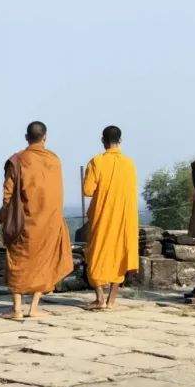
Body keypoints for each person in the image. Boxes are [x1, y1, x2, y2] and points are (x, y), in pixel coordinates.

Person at [0, 121, 73, 319]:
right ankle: (34, 308)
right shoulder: (55, 160)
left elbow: (8, 194)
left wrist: (4, 214)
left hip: (24, 222)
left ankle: (16, 309)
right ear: (45, 137)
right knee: (44, 262)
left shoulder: (17, 160)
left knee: (17, 261)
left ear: (26, 137)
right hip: (49, 221)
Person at [82, 125, 138, 310]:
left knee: (96, 253)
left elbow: (88, 190)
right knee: (119, 254)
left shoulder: (96, 162)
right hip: (124, 218)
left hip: (103, 216)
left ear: (102, 141)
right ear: (120, 141)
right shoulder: (129, 164)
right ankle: (111, 300)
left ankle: (100, 298)